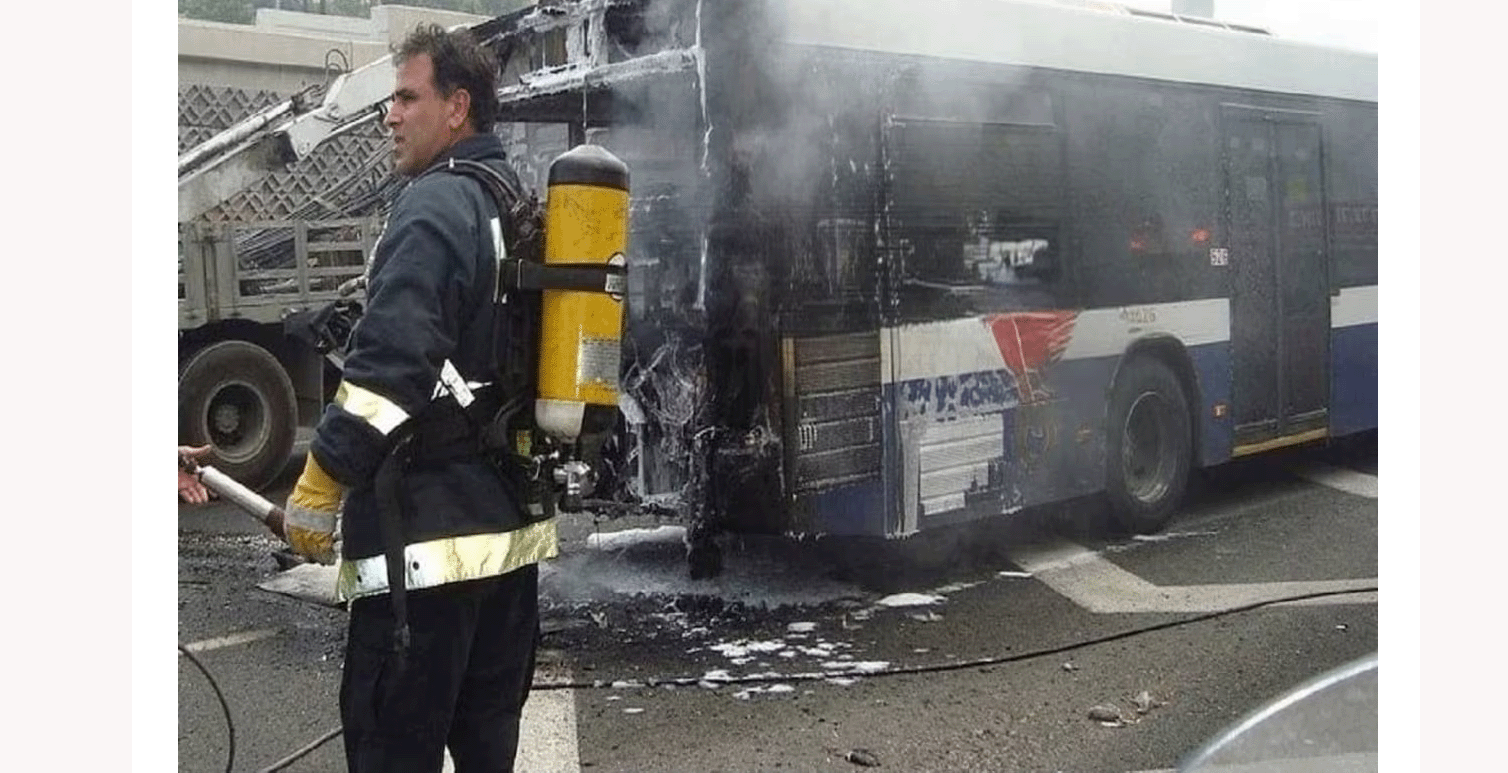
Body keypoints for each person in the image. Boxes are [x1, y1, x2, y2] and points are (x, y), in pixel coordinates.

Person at [282, 24, 556, 773]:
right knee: (488, 746)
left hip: (424, 559)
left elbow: (391, 366)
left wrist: (322, 479)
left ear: (457, 107)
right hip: (509, 545)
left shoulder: (434, 206)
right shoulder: (510, 202)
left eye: (407, 98)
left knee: (391, 751)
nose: (389, 116)